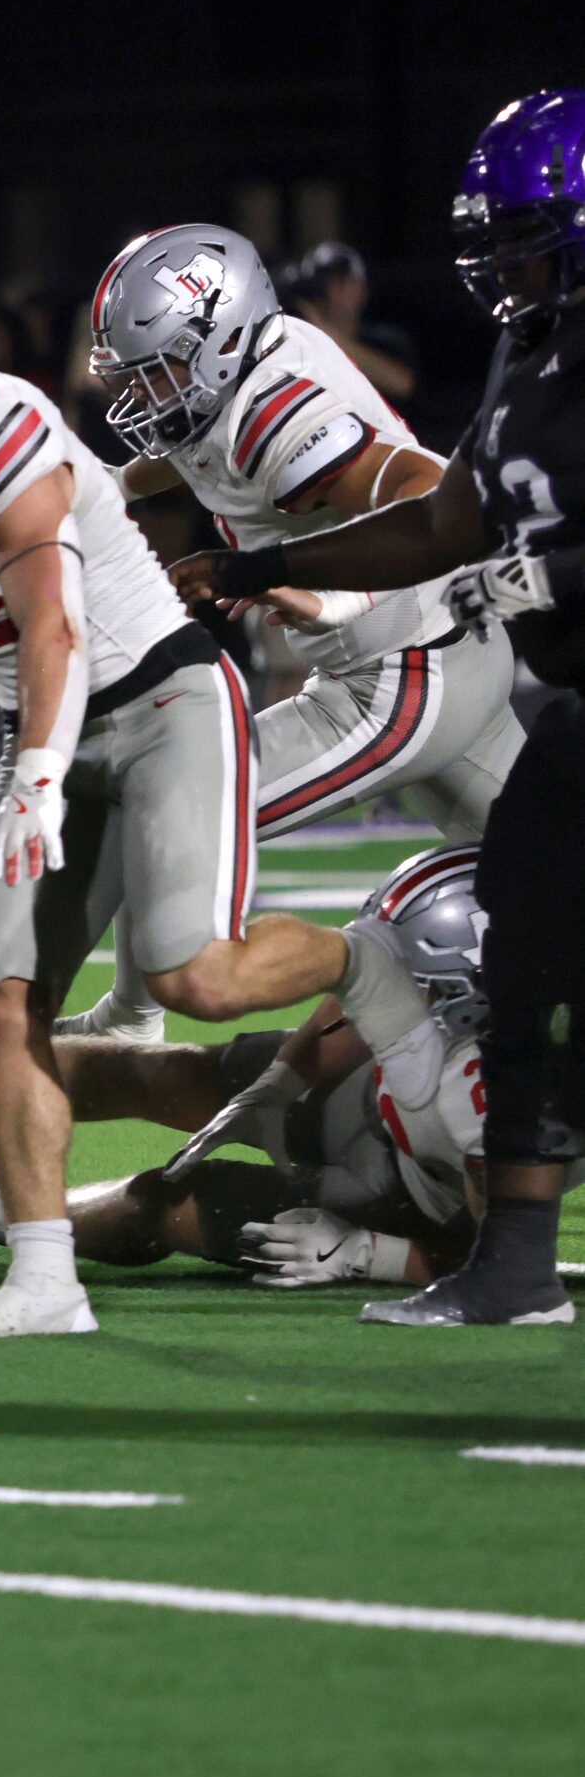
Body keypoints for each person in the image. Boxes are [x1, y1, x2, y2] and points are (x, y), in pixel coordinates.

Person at [0, 240, 408, 1340]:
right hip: (44, 718)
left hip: (158, 698)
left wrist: (32, 780)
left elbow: (53, 624)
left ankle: (370, 960)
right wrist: (33, 757)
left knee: (194, 977)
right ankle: (42, 1280)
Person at [173, 89, 585, 1327]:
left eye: (527, 236)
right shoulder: (534, 349)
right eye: (497, 242)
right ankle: (510, 1268)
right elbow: (440, 520)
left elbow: (500, 547)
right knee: (525, 969)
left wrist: (548, 574)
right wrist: (259, 568)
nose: (506, 267)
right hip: (571, 711)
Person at [52, 224, 526, 1046]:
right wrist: (118, 483)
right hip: (443, 654)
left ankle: (130, 1019)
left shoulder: (281, 414)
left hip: (399, 677)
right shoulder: (252, 370)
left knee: (165, 802)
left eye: (159, 368)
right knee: (551, 862)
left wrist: (300, 582)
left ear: (219, 342)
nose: (144, 394)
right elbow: (202, 445)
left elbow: (427, 488)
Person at [0, 847, 523, 1289]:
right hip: (374, 1098)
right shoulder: (445, 1004)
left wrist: (375, 1256)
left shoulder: (504, 1109)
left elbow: (506, 1262)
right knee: (176, 1072)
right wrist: (283, 1081)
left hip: (410, 1207)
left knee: (166, 1204)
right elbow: (357, 973)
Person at [281, 240, 419, 408]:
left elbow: (402, 384)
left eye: (341, 282)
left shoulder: (385, 340)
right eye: (323, 283)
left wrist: (324, 333)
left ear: (362, 290)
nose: (331, 292)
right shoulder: (298, 342)